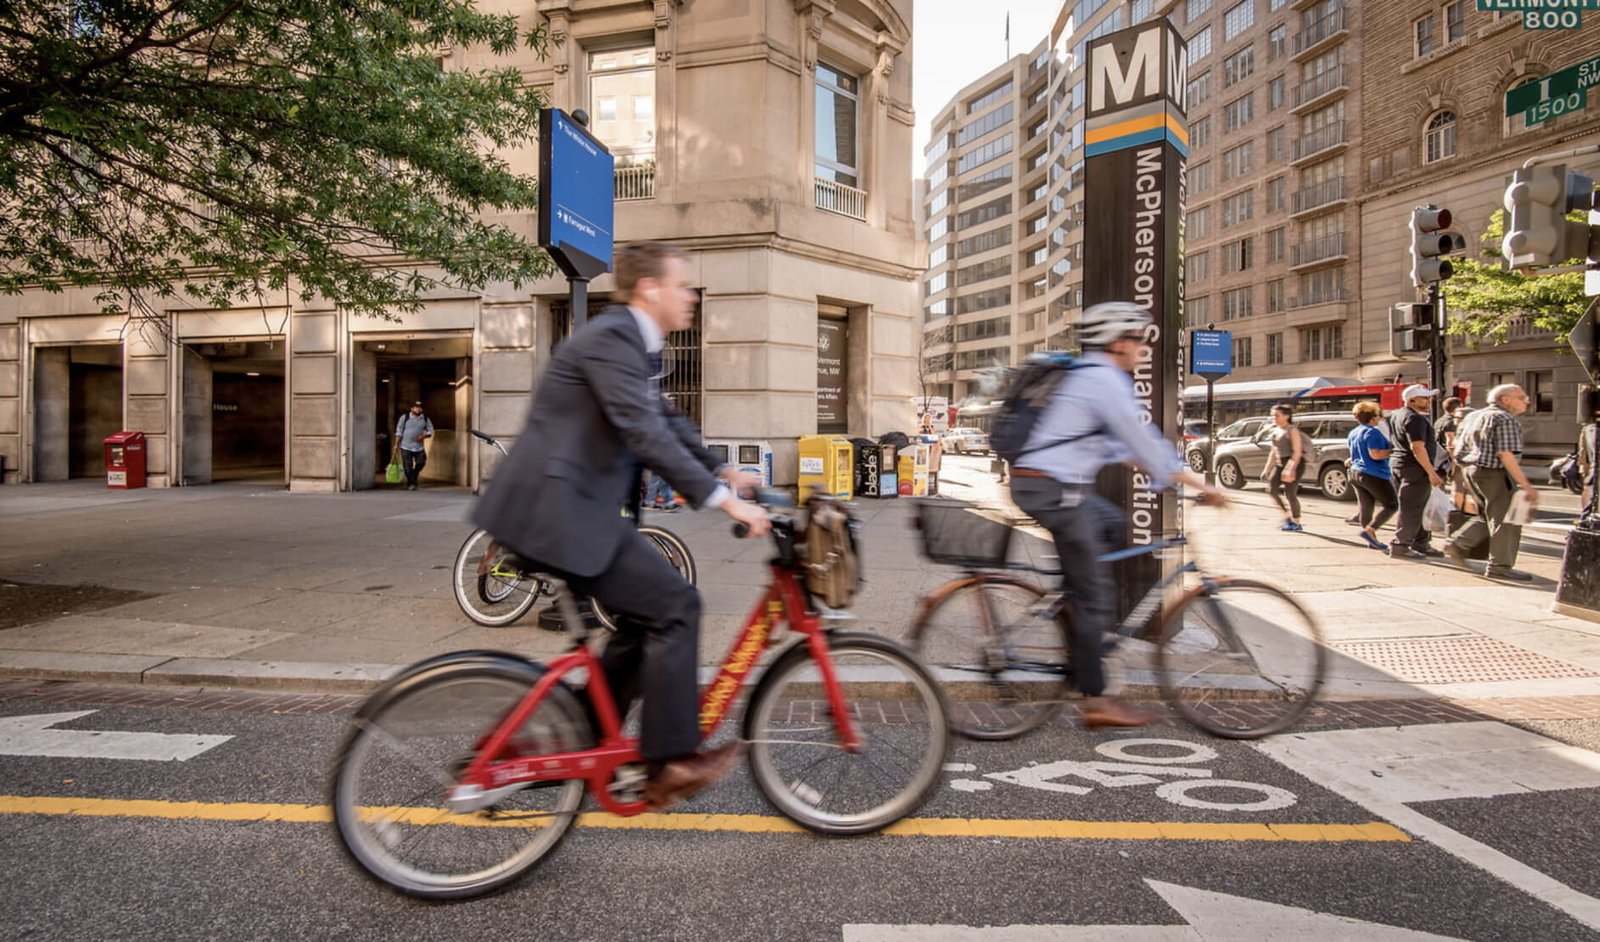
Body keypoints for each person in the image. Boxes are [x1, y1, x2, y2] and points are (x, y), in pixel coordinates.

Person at [472, 241, 768, 809]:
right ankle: (670, 761)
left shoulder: (635, 345)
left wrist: (723, 471)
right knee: (678, 606)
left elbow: (664, 419)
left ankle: (582, 734)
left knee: (645, 617)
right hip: (555, 515)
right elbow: (642, 430)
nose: (691, 297)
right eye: (682, 285)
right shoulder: (612, 338)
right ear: (649, 289)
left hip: (572, 510)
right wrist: (723, 502)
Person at [1009, 302, 1229, 731]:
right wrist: (1204, 487)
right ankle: (1096, 701)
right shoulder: (1103, 379)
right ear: (1117, 341)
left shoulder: (1090, 377)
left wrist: (1159, 475)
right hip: (1054, 489)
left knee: (1113, 525)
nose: (1143, 350)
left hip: (1048, 484)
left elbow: (1120, 448)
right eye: (1138, 340)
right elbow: (1143, 442)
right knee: (1097, 597)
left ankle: (1074, 609)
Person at [1444, 384, 1537, 581]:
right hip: (1494, 472)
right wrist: (1526, 485)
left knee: (1489, 515)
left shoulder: (1473, 416)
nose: (1526, 401)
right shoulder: (1504, 418)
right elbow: (1505, 454)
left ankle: (1458, 544)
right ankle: (1500, 566)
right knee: (1507, 519)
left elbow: (1457, 447)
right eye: (1521, 397)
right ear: (1505, 400)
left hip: (1471, 470)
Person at [1386, 385, 1445, 559]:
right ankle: (1401, 545)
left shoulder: (1397, 414)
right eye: (1424, 398)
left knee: (1417, 506)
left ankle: (1420, 542)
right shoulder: (1415, 419)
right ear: (1412, 400)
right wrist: (1431, 472)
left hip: (1399, 465)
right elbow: (1417, 447)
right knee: (1412, 507)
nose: (1429, 401)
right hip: (1414, 469)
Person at [1346, 401, 1397, 551]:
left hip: (1355, 473)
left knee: (1366, 507)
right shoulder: (1372, 432)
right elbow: (1375, 454)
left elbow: (1353, 454)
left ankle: (1372, 540)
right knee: (1391, 504)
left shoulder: (1353, 432)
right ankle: (1370, 530)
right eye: (1378, 415)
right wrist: (1394, 451)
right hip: (1373, 473)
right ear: (1373, 417)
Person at [1261, 405, 1305, 532]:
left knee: (1290, 494)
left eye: (1277, 415)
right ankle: (1287, 517)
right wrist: (1267, 469)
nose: (1274, 418)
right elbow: (1273, 452)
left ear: (1287, 416)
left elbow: (1297, 452)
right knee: (1272, 490)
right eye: (1273, 415)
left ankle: (1296, 522)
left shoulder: (1292, 430)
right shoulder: (1276, 431)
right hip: (1280, 464)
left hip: (1294, 463)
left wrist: (1290, 469)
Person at [394, 401, 433, 490]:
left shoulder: (425, 418)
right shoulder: (405, 417)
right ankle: (411, 484)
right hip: (405, 446)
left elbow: (430, 430)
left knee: (421, 462)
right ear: (412, 408)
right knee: (408, 467)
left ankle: (414, 475)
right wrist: (396, 445)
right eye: (416, 407)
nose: (418, 409)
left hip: (419, 447)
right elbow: (399, 432)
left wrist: (423, 436)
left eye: (420, 407)